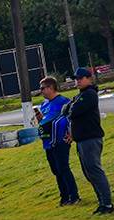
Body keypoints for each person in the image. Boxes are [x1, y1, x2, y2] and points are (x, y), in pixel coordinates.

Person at [66, 68, 114, 214]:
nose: (78, 81)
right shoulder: (80, 95)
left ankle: (107, 203)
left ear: (89, 78)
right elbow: (66, 109)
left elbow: (72, 111)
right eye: (76, 79)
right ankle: (101, 202)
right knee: (88, 173)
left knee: (94, 170)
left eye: (81, 78)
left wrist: (71, 108)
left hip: (90, 138)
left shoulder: (90, 94)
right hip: (81, 139)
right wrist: (70, 107)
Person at [36, 76, 79, 206]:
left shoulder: (63, 101)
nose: (41, 91)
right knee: (56, 170)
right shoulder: (44, 104)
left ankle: (74, 195)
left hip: (61, 140)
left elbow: (71, 118)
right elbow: (45, 121)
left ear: (50, 88)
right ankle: (64, 196)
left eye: (43, 88)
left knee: (63, 168)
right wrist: (39, 118)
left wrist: (72, 134)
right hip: (48, 141)